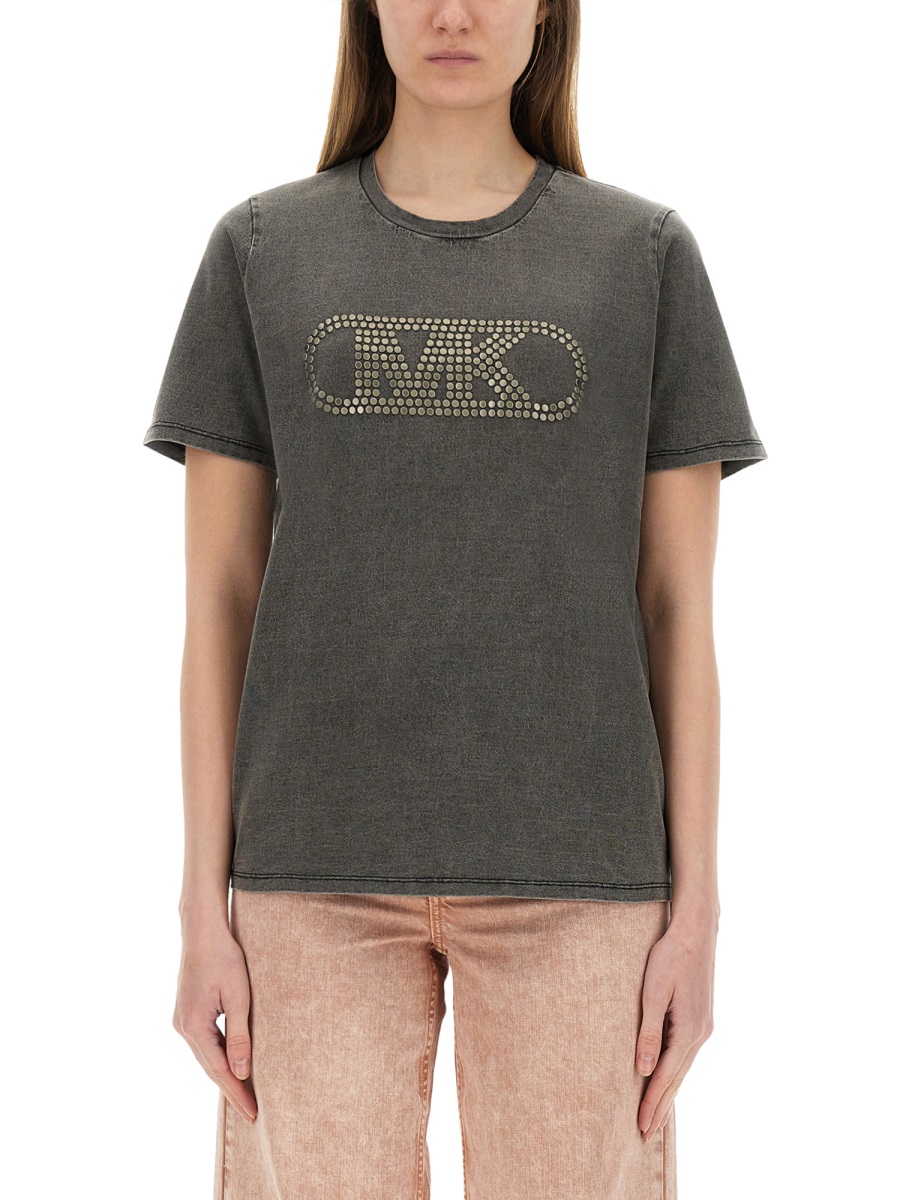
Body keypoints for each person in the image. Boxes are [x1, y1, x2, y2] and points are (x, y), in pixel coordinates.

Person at [142, 2, 767, 1196]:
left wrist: (698, 913)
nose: (452, 12)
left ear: (547, 9)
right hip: (309, 879)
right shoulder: (262, 252)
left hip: (582, 880)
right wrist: (200, 910)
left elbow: (679, 609)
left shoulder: (641, 259)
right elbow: (218, 601)